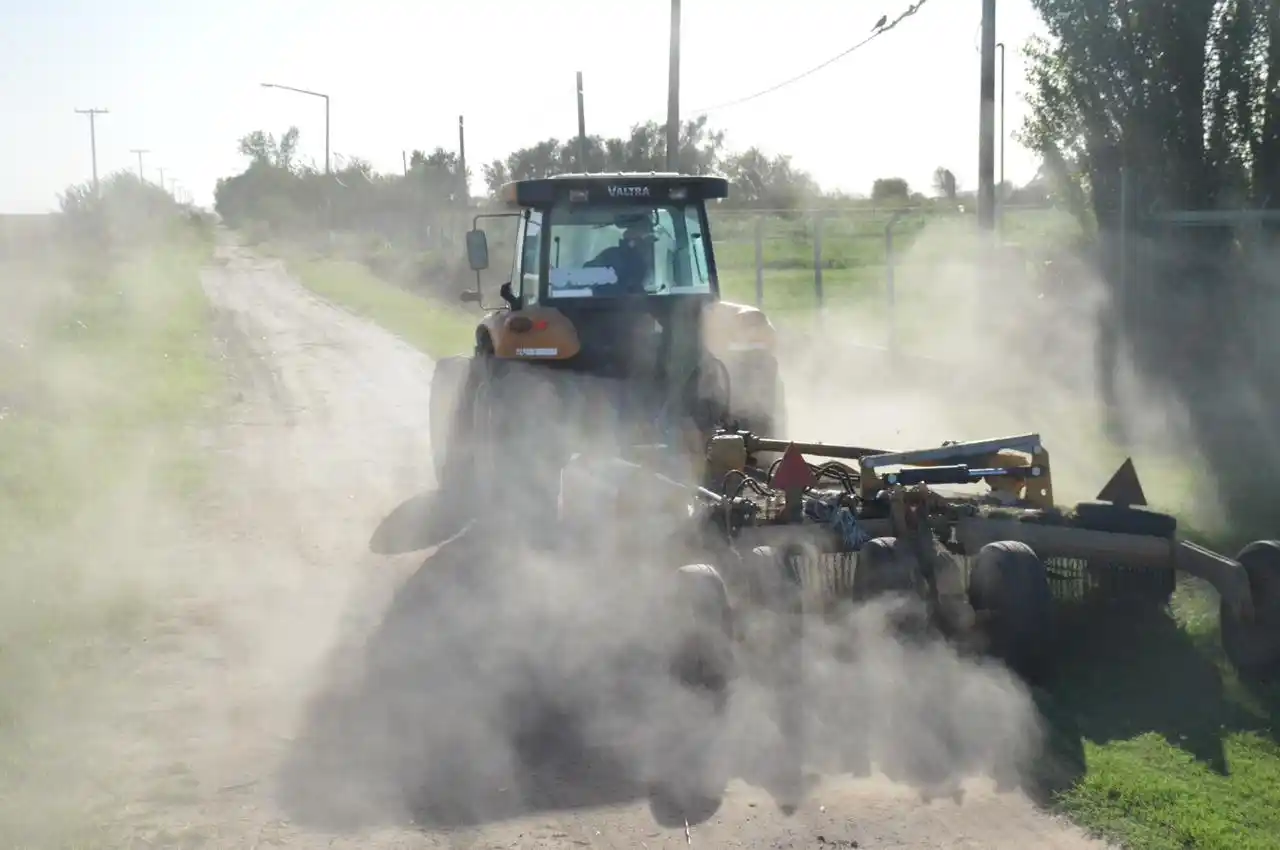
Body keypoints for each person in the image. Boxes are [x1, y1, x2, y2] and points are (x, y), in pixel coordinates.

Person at [585, 216, 656, 294]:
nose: (648, 245)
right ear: (633, 239)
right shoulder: (611, 256)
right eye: (646, 239)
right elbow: (588, 274)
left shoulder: (641, 259)